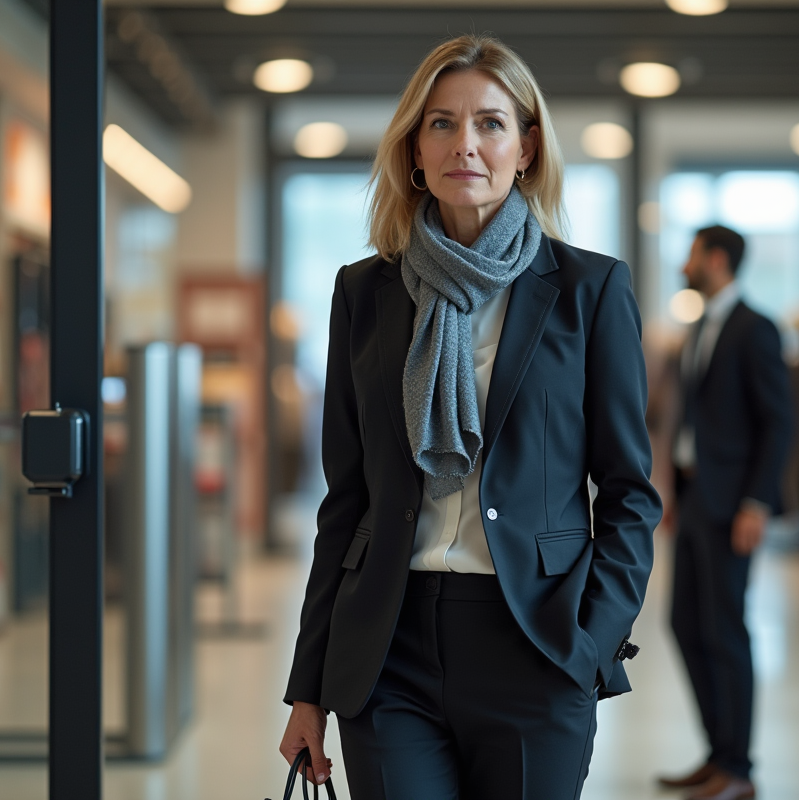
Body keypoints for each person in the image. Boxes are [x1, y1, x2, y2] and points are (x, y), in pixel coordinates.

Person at [278, 34, 662, 800]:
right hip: (388, 648)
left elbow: (629, 493)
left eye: (490, 123)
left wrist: (590, 644)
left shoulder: (589, 291)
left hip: (535, 641)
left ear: (526, 148)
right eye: (442, 124)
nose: (466, 145)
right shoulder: (365, 293)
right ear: (415, 152)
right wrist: (308, 687)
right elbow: (346, 502)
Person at [658, 225, 793, 800]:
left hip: (732, 504)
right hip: (694, 498)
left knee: (725, 630)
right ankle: (718, 755)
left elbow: (778, 423)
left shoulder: (755, 328)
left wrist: (756, 503)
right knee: (684, 623)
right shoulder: (699, 327)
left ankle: (739, 769)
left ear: (716, 260)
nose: (683, 265)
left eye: (691, 255)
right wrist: (673, 492)